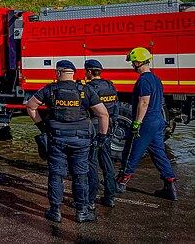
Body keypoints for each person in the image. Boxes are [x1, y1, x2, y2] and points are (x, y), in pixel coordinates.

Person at [27, 60, 109, 223]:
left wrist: (43, 127)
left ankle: (55, 211)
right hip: (81, 140)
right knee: (80, 175)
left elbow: (31, 106)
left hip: (57, 138)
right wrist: (102, 136)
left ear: (58, 73)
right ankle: (81, 212)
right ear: (73, 73)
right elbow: (103, 114)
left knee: (56, 174)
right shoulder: (85, 90)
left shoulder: (50, 89)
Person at [116, 47, 178, 201]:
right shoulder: (156, 79)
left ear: (138, 62)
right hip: (157, 121)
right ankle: (170, 186)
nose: (131, 65)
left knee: (131, 149)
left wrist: (137, 123)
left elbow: (143, 103)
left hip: (146, 121)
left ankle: (121, 182)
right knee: (159, 153)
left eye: (132, 62)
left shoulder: (143, 80)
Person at [84, 59, 119, 208]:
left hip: (95, 126)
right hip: (109, 126)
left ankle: (90, 200)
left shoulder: (89, 88)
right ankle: (110, 196)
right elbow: (116, 107)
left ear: (90, 72)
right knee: (107, 161)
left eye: (86, 71)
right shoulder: (110, 86)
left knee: (92, 162)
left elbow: (84, 110)